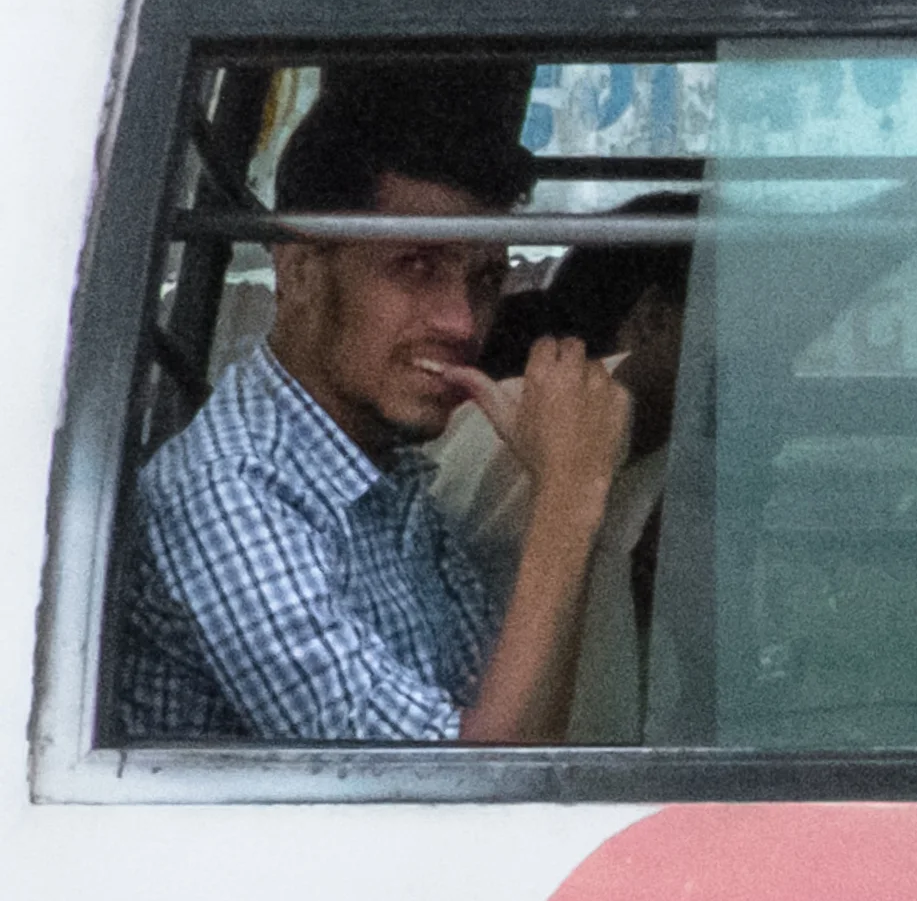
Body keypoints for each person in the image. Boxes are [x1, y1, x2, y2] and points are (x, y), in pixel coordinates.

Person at [118, 67, 629, 743]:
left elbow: (510, 737)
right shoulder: (228, 492)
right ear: (299, 271)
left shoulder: (387, 477)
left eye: (484, 278)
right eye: (416, 268)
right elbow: (467, 801)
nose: (462, 323)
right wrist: (569, 496)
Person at [428, 195, 695, 743]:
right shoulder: (503, 433)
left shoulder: (668, 458)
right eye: (744, 333)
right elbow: (486, 756)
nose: (770, 368)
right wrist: (569, 498)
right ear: (654, 320)